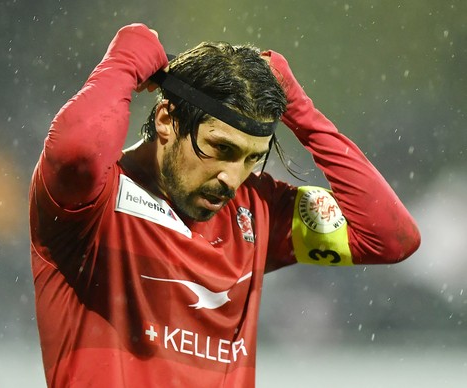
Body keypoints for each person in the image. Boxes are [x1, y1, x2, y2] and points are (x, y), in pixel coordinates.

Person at [29, 23, 420, 387]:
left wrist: (301, 110)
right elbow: (77, 150)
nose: (232, 179)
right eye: (221, 149)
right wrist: (124, 61)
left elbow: (389, 238)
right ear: (167, 120)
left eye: (253, 158)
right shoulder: (89, 203)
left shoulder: (257, 209)